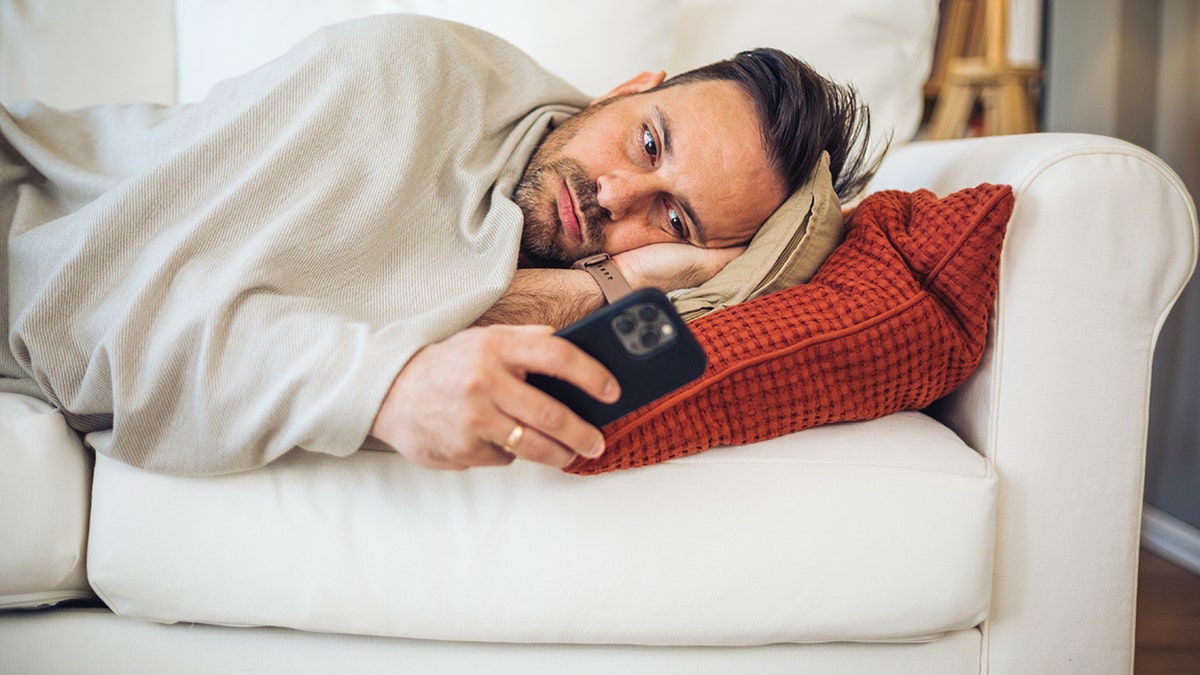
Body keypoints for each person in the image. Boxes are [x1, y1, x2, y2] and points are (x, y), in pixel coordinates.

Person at [0, 14, 876, 476]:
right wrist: (383, 386)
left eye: (674, 220)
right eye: (649, 143)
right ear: (628, 88)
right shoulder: (404, 75)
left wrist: (616, 285)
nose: (613, 199)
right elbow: (85, 328)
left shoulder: (573, 257)